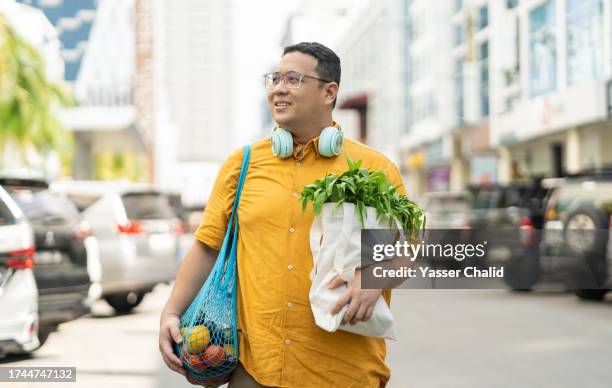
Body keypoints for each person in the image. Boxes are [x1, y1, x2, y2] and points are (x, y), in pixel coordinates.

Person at [159, 41, 406, 387]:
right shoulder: (242, 165)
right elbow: (207, 246)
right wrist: (171, 311)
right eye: (274, 79)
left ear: (328, 92)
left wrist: (373, 279)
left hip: (343, 371)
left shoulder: (374, 168)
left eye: (293, 79)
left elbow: (404, 248)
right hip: (256, 367)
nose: (278, 88)